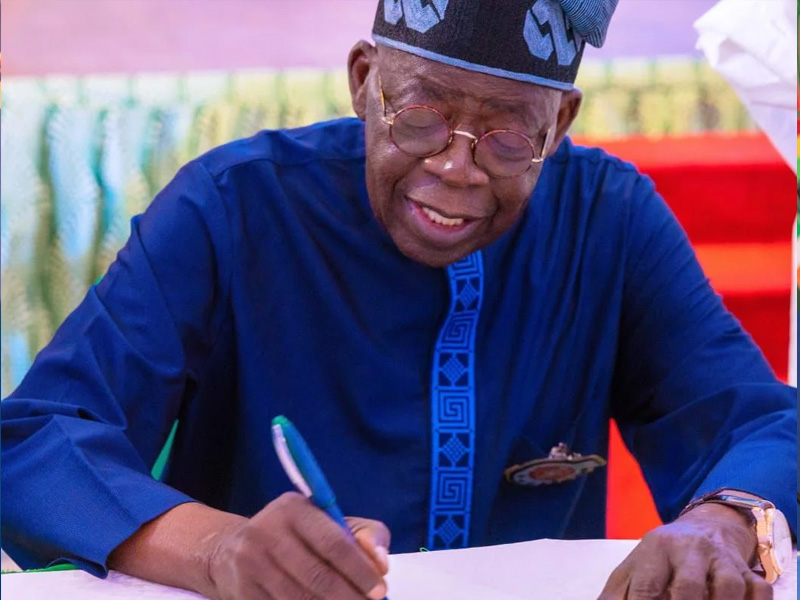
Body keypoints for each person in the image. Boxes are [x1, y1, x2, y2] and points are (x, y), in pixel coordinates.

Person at [2, 2, 795, 600]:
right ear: (363, 82)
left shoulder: (606, 220)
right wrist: (219, 550)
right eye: (419, 117)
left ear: (559, 124)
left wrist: (723, 521)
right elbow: (35, 440)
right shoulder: (234, 207)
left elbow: (759, 424)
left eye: (508, 138)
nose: (455, 167)